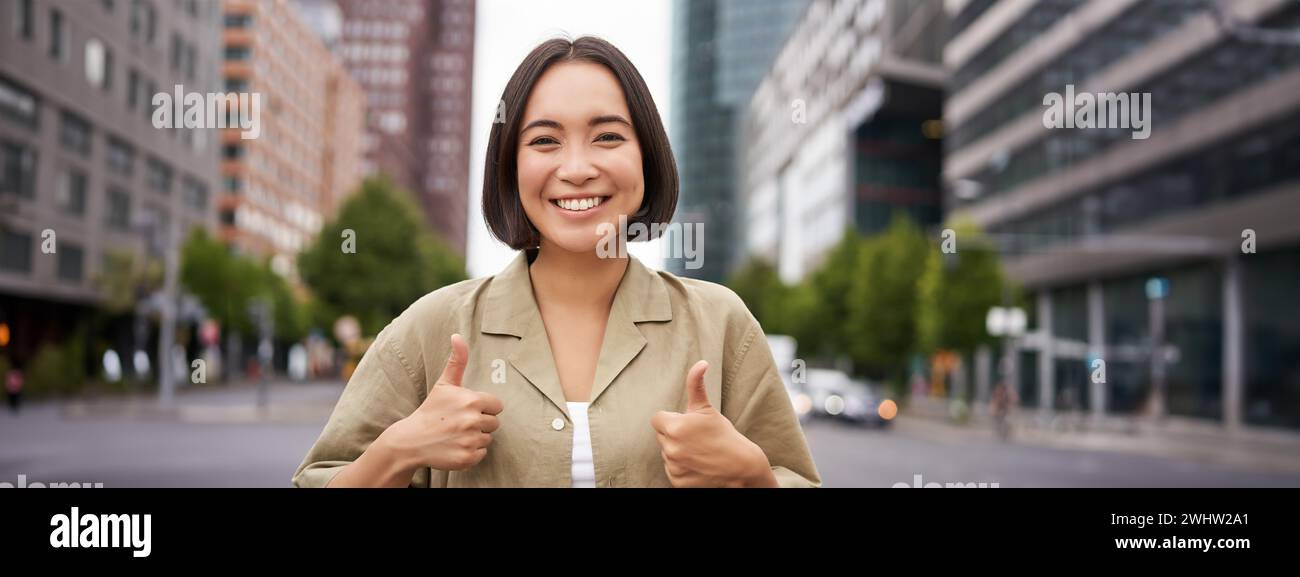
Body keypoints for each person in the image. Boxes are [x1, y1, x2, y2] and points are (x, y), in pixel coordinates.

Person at [293, 36, 820, 488]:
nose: (576, 168)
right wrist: (397, 451)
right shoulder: (430, 328)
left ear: (647, 158)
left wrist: (754, 475)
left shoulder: (721, 323)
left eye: (608, 136)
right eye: (545, 141)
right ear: (511, 166)